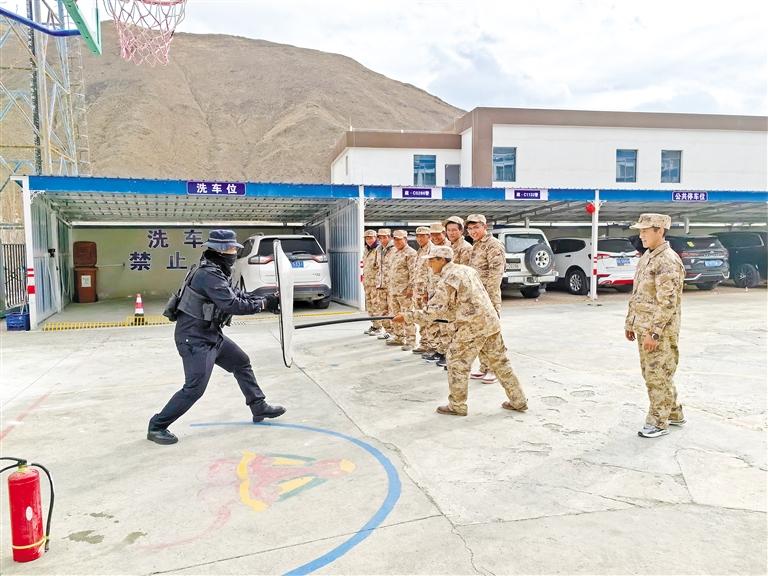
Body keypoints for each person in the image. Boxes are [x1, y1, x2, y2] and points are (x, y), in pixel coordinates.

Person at [147, 230, 284, 445]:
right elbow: (232, 305)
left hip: (210, 335)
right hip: (194, 339)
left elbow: (238, 295)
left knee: (241, 362)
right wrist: (264, 304)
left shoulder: (217, 270)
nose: (234, 253)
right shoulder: (207, 275)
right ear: (220, 250)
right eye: (231, 249)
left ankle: (258, 406)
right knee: (194, 388)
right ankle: (157, 426)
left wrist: (264, 297)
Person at [393, 245, 528, 416]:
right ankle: (519, 400)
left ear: (442, 260)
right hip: (490, 321)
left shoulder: (448, 278)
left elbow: (433, 312)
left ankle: (457, 405)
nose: (429, 265)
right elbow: (462, 300)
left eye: (432, 261)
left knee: (456, 362)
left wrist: (406, 317)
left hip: (472, 326)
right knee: (500, 362)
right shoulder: (467, 270)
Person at [625, 213, 686, 439]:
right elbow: (639, 294)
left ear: (660, 231)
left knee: (657, 375)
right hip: (644, 326)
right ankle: (674, 413)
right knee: (655, 373)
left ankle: (658, 422)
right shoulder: (648, 256)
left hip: (659, 331)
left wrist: (655, 333)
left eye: (645, 230)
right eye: (640, 231)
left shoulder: (667, 261)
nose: (641, 235)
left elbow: (667, 302)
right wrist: (630, 322)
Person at [466, 214, 506, 384]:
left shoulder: (493, 245)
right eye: (470, 228)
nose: (473, 231)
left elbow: (496, 274)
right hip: (476, 297)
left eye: (476, 227)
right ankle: (484, 367)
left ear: (485, 227)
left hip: (488, 297)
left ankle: (494, 370)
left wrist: (487, 298)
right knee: (480, 333)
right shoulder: (476, 245)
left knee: (491, 334)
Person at [424, 222, 450, 365]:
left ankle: (447, 354)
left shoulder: (448, 249)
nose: (434, 237)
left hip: (445, 293)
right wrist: (427, 291)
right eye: (432, 234)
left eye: (437, 234)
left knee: (445, 325)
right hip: (433, 291)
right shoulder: (432, 248)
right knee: (436, 323)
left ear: (444, 233)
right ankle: (439, 350)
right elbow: (429, 271)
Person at [386, 230, 418, 350]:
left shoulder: (411, 253)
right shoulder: (394, 252)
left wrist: (411, 288)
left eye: (400, 239)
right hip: (393, 290)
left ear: (405, 239)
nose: (397, 241)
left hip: (405, 292)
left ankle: (411, 341)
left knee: (407, 316)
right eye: (395, 239)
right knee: (395, 315)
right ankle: (398, 337)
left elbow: (413, 272)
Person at [410, 226, 434, 354]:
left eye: (423, 236)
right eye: (418, 236)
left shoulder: (432, 250)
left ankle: (431, 345)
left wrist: (427, 291)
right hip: (418, 291)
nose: (419, 238)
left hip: (426, 291)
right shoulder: (420, 250)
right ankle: (424, 343)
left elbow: (432, 272)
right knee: (421, 318)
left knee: (429, 319)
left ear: (429, 236)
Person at [373, 228, 395, 340]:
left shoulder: (395, 249)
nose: (382, 239)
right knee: (383, 309)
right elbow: (376, 266)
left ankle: (396, 333)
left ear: (389, 237)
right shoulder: (378, 249)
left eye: (384, 237)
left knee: (393, 310)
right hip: (381, 285)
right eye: (380, 237)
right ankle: (388, 331)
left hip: (392, 285)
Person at [361, 229, 381, 336]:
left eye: (371, 238)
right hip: (368, 283)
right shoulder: (366, 249)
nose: (369, 240)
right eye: (367, 238)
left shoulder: (379, 249)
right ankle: (374, 325)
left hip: (375, 284)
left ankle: (379, 327)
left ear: (376, 238)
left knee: (376, 305)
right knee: (370, 306)